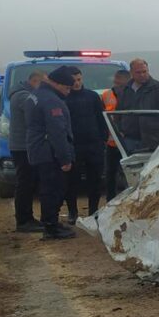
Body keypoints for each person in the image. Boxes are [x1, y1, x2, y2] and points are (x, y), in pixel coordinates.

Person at [24, 66, 76, 240]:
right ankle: (51, 226)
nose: (68, 92)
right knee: (54, 189)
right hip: (49, 152)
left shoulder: (37, 95)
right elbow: (57, 132)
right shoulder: (51, 100)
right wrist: (65, 158)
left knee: (48, 188)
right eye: (66, 88)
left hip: (39, 149)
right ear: (56, 83)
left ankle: (50, 222)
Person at [63, 67, 108, 223]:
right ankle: (72, 212)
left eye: (79, 80)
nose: (76, 83)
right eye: (73, 80)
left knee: (95, 180)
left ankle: (94, 211)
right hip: (74, 145)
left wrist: (103, 138)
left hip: (94, 144)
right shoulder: (64, 98)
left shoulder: (92, 96)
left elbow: (101, 118)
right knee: (71, 181)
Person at [116, 59, 159, 153]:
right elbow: (118, 113)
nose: (142, 75)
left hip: (154, 140)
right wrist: (119, 130)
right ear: (131, 73)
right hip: (130, 140)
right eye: (138, 72)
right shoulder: (124, 90)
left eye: (144, 71)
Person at [8, 71, 46, 232]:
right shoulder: (24, 97)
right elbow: (36, 115)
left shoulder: (21, 94)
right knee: (25, 184)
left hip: (22, 145)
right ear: (35, 81)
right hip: (23, 146)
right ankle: (24, 221)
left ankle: (27, 218)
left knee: (27, 183)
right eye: (43, 84)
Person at [102, 70, 129, 200]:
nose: (117, 83)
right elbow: (101, 117)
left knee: (128, 174)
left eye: (120, 81)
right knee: (110, 174)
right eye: (116, 81)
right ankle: (110, 201)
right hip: (111, 142)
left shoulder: (133, 94)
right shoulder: (106, 95)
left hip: (129, 142)